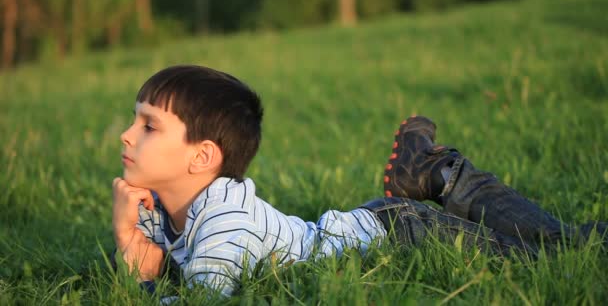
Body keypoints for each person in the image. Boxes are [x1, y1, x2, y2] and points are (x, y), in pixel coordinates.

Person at [112, 65, 606, 296]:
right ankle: (434, 173)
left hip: (402, 233)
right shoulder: (157, 206)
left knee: (557, 256)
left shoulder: (223, 220)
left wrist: (138, 273)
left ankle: (442, 173)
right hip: (377, 223)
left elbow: (201, 299)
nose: (126, 135)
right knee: (563, 250)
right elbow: (159, 264)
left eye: (148, 125)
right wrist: (137, 251)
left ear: (202, 157)